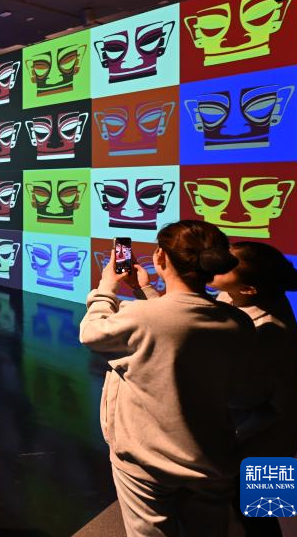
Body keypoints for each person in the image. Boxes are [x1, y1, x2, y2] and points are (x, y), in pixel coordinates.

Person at [79, 220, 255, 537]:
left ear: (160, 257)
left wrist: (106, 288)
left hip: (146, 462)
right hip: (211, 459)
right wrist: (144, 290)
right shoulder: (238, 321)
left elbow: (92, 333)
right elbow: (173, 321)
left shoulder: (139, 317)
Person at [210, 241, 297, 536]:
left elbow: (271, 406)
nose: (213, 263)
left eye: (224, 266)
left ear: (248, 289)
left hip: (267, 444)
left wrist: (228, 439)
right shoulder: (240, 296)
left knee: (263, 517)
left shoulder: (270, 332)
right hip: (247, 437)